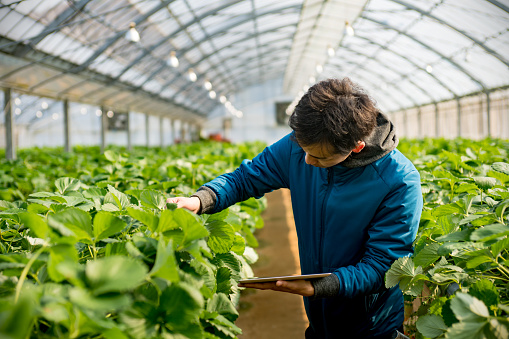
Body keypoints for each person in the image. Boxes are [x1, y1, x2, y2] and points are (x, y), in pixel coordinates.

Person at [167, 78, 422, 339]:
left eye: (320, 157)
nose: (306, 161)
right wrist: (201, 200)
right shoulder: (300, 144)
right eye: (303, 150)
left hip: (370, 327)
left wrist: (323, 285)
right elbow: (246, 178)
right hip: (318, 319)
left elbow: (384, 266)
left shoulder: (398, 181)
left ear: (356, 147)